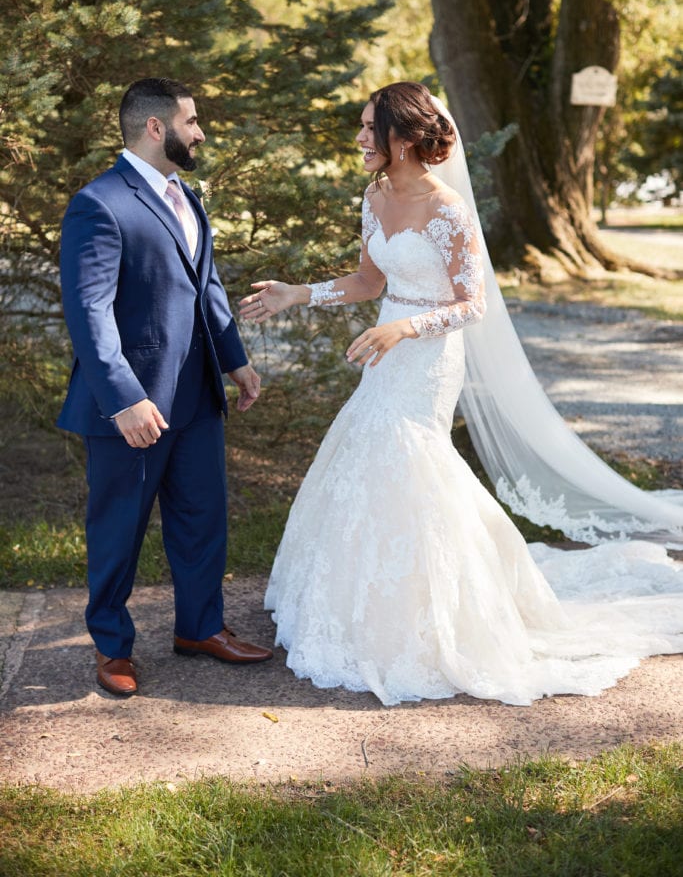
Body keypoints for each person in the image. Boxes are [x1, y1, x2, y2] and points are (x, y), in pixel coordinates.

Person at [240, 80, 683, 707]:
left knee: (412, 461)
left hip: (426, 354)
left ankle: (449, 613)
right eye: (363, 126)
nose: (361, 137)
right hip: (387, 347)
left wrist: (405, 326)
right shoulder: (374, 194)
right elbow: (369, 280)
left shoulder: (447, 208)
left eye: (372, 128)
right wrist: (300, 293)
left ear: (405, 137)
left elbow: (471, 304)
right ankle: (369, 605)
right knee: (370, 456)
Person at [58, 77, 273, 697]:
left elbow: (206, 285)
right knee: (118, 527)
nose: (200, 131)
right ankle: (112, 647)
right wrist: (124, 398)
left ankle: (201, 628)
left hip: (197, 395)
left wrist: (235, 361)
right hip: (131, 405)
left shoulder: (187, 194)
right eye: (192, 121)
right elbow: (89, 313)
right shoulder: (99, 203)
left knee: (203, 520)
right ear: (157, 128)